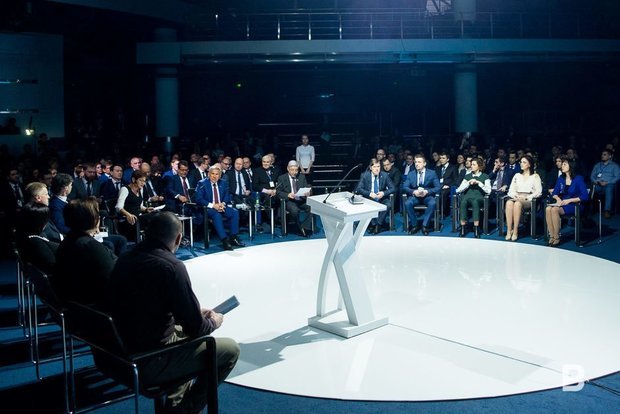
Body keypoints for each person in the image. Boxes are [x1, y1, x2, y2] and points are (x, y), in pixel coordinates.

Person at [106, 211, 239, 413]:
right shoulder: (171, 266)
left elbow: (147, 301)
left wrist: (192, 311)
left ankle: (176, 402)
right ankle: (187, 409)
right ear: (178, 239)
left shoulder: (125, 258)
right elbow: (197, 328)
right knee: (230, 349)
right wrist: (215, 321)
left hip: (117, 349)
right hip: (150, 357)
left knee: (182, 331)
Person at [54, 197, 117, 307]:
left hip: (76, 304)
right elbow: (115, 278)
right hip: (96, 306)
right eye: (97, 214)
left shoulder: (68, 241)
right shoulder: (91, 247)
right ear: (94, 219)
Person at [195, 165, 244, 251]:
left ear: (220, 175)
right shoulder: (202, 183)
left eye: (217, 174)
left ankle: (233, 237)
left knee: (235, 212)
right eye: (212, 174)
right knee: (217, 215)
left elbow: (227, 196)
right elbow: (199, 199)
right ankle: (224, 240)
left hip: (221, 206)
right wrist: (213, 205)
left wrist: (223, 204)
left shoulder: (223, 183)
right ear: (209, 174)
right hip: (208, 208)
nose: (214, 176)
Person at [545, 158, 589, 247]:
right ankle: (552, 236)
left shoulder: (578, 178)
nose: (562, 166)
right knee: (548, 208)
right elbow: (554, 192)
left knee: (554, 210)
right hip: (563, 203)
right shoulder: (561, 178)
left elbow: (585, 196)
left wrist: (569, 200)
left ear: (571, 166)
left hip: (575, 205)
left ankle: (557, 237)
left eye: (564, 164)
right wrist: (557, 199)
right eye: (562, 164)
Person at [504, 155, 543, 241]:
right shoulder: (517, 175)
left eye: (524, 162)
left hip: (528, 199)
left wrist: (526, 197)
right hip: (517, 197)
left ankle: (515, 230)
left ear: (529, 164)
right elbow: (511, 190)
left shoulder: (535, 176)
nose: (521, 164)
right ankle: (509, 230)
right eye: (521, 162)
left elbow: (538, 192)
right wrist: (516, 196)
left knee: (517, 204)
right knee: (509, 203)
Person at [402, 154, 440, 235]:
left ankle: (424, 225)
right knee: (407, 203)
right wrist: (413, 191)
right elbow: (405, 187)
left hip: (427, 196)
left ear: (424, 163)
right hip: (415, 196)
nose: (417, 164)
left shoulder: (432, 173)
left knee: (432, 203)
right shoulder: (411, 174)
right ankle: (415, 225)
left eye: (419, 162)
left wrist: (427, 191)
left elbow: (438, 187)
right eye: (415, 162)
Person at [15, 202, 58, 274]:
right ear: (40, 222)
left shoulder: (27, 237)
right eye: (46, 220)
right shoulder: (35, 242)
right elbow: (52, 266)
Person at [356, 159, 395, 234]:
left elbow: (393, 188)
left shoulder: (384, 175)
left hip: (381, 198)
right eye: (374, 167)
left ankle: (377, 225)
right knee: (368, 205)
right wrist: (369, 194)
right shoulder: (365, 175)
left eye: (378, 166)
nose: (377, 169)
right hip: (369, 199)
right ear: (370, 168)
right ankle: (374, 224)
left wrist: (383, 193)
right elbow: (359, 189)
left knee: (388, 205)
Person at [455, 157, 491, 238]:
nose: (471, 166)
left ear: (479, 166)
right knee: (463, 202)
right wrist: (468, 183)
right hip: (468, 196)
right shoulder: (467, 176)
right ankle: (463, 227)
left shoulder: (485, 176)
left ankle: (476, 227)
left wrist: (479, 183)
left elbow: (489, 191)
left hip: (479, 197)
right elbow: (459, 190)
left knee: (475, 202)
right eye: (471, 164)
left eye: (474, 165)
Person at [277, 160, 313, 237]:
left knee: (312, 207)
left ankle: (304, 227)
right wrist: (287, 195)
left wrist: (307, 193)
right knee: (294, 210)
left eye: (296, 170)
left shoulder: (301, 177)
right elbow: (278, 192)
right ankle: (300, 228)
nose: (294, 172)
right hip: (290, 201)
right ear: (288, 169)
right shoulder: (282, 178)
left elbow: (306, 187)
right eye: (292, 170)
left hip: (300, 199)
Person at [115, 170, 154, 241]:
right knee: (150, 218)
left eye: (144, 181)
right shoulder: (125, 189)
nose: (143, 183)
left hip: (139, 218)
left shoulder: (141, 189)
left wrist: (146, 209)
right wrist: (128, 215)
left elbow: (140, 206)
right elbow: (118, 207)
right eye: (141, 180)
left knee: (155, 214)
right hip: (128, 221)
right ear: (133, 179)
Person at [590, 149, 619, 218]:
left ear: (610, 156)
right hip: (598, 184)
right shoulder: (597, 165)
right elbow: (592, 176)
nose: (602, 156)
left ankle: (607, 210)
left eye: (604, 154)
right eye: (602, 154)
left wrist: (607, 182)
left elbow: (617, 177)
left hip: (608, 184)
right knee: (591, 188)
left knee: (609, 188)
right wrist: (596, 181)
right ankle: (589, 208)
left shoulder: (615, 166)